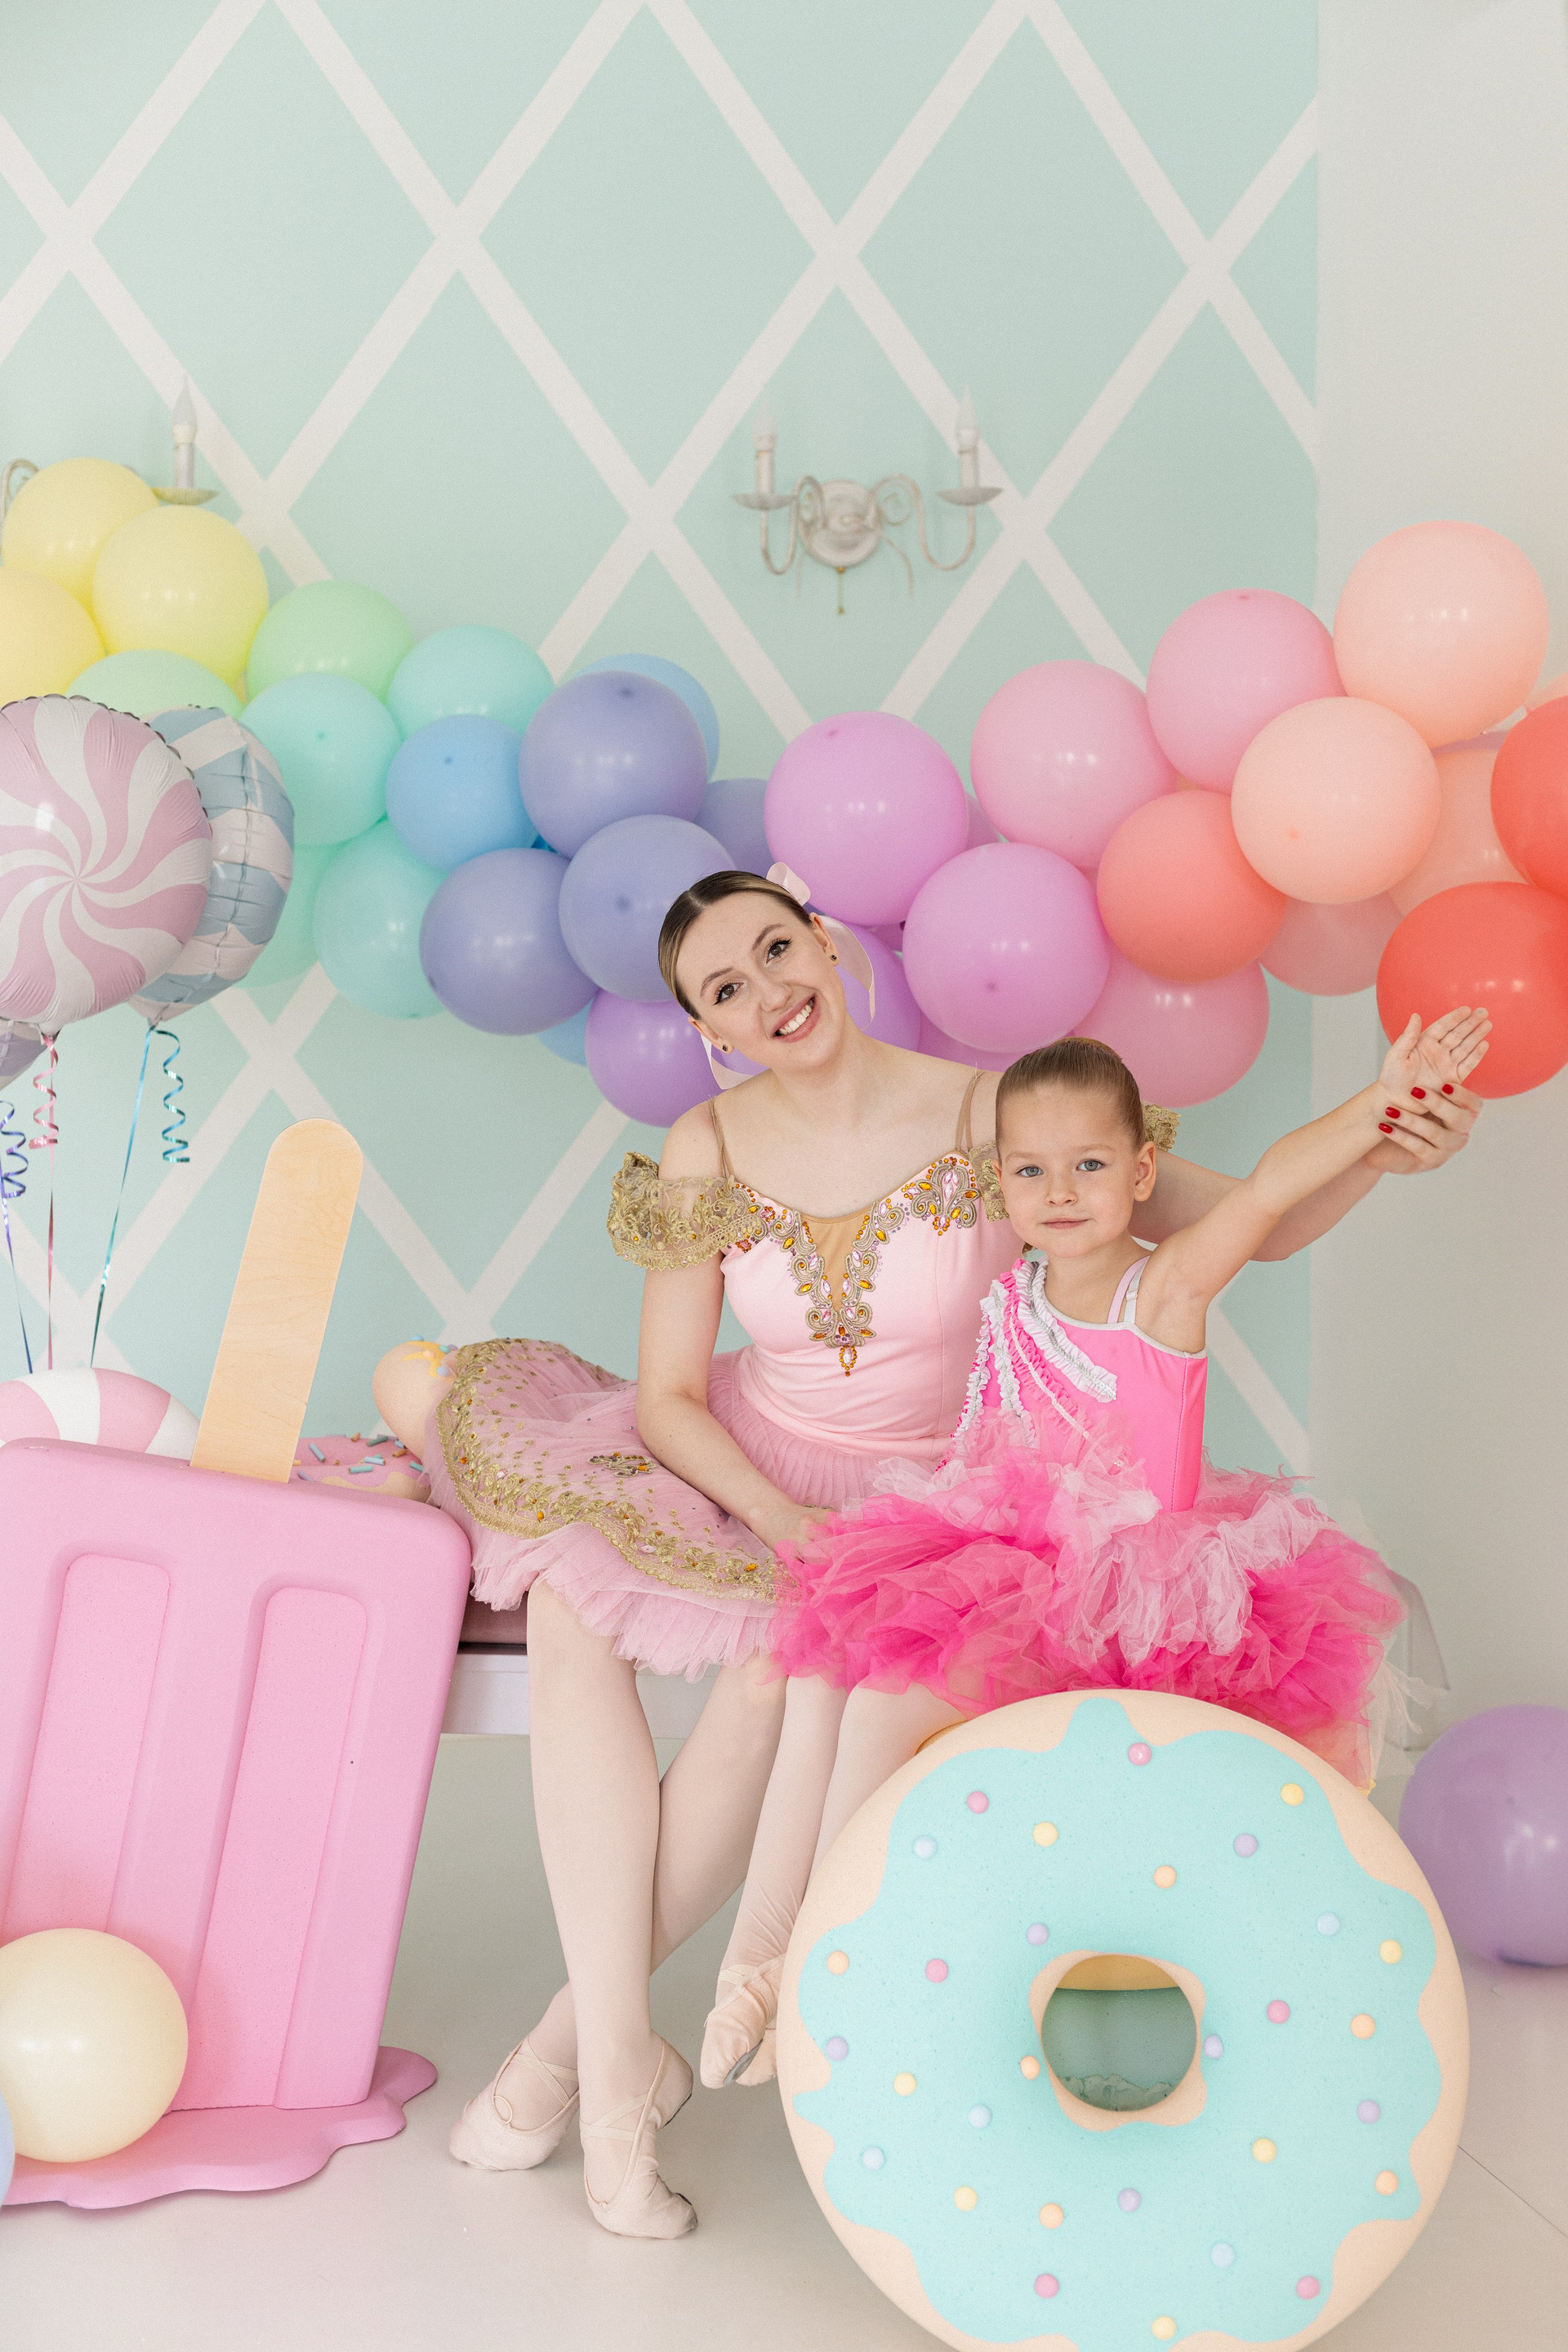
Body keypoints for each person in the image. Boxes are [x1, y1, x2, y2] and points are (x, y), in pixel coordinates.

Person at [377, 866, 1483, 2238]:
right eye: (727, 989)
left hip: (944, 1496)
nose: (770, 992)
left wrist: (1385, 1143)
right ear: (709, 1028)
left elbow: (1242, 1218)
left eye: (777, 949)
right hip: (750, 1469)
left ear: (825, 938)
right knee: (567, 1606)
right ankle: (610, 2070)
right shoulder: (705, 1143)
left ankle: (568, 2061)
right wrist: (782, 1520)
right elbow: (665, 1401)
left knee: (775, 1685)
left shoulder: (993, 1113)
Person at [703, 1011, 1489, 2092]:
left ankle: (817, 1969)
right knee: (815, 1673)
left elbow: (1268, 1191)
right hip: (1004, 1565)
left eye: (1089, 1165)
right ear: (1001, 1183)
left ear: (1142, 1172)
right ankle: (750, 1967)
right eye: (1031, 1170)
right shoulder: (1014, 1288)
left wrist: (1381, 1106)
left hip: (1123, 1605)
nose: (1060, 1192)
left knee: (882, 1708)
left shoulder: (1162, 1288)